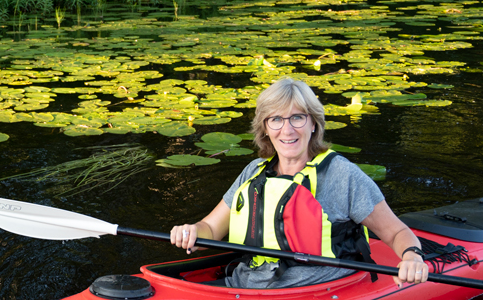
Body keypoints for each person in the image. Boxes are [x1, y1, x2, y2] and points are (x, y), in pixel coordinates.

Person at [169, 78, 429, 289]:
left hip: (312, 293)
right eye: (276, 120)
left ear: (313, 123)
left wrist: (411, 257)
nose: (287, 129)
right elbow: (210, 231)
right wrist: (191, 231)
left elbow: (396, 233)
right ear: (266, 128)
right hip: (244, 285)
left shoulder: (342, 175)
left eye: (297, 117)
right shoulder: (253, 172)